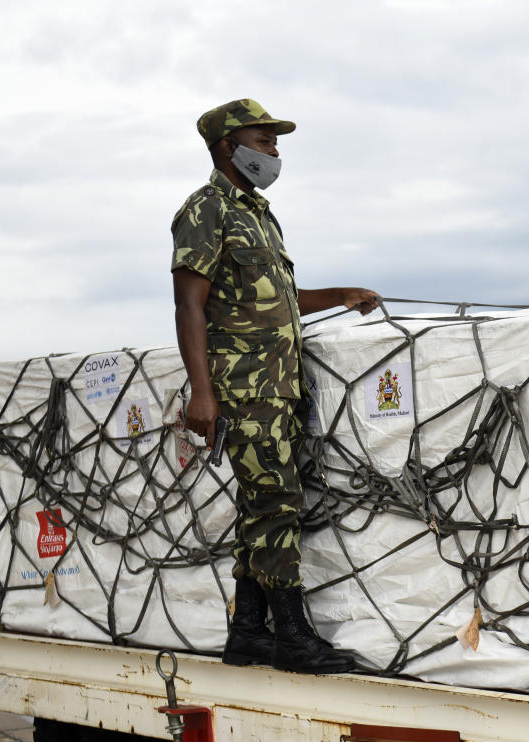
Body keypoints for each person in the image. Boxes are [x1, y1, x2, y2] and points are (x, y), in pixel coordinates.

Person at [170, 98, 379, 673]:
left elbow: (278, 301)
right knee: (276, 504)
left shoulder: (259, 214)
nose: (275, 151)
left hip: (279, 386)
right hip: (243, 389)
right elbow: (190, 305)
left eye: (274, 142)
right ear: (226, 147)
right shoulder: (205, 210)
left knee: (263, 504)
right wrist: (202, 393)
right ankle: (291, 638)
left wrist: (340, 295)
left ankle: (248, 633)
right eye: (264, 142)